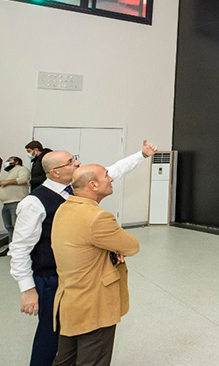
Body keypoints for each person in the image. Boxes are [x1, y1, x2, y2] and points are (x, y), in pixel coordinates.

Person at [9, 139, 158, 366]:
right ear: (55, 172)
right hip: (50, 278)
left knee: (69, 338)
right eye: (71, 162)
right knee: (51, 336)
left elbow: (113, 171)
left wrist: (142, 155)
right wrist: (27, 288)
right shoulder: (34, 202)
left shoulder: (74, 192)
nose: (78, 163)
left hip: (77, 277)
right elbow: (20, 248)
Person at [51, 164, 140, 366]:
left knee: (65, 359)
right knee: (93, 360)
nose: (111, 178)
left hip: (70, 301)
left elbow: (82, 247)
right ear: (93, 185)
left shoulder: (64, 209)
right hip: (94, 304)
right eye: (106, 175)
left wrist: (109, 250)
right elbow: (132, 246)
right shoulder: (98, 217)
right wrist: (115, 249)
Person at [0, 155, 31, 256]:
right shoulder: (10, 173)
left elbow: (23, 179)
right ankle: (11, 247)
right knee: (9, 227)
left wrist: (6, 182)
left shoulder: (22, 169)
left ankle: (20, 249)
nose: (7, 162)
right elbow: (10, 190)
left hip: (16, 202)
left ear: (16, 162)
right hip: (6, 204)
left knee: (17, 226)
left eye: (9, 160)